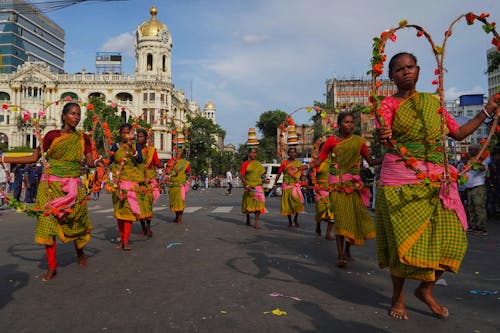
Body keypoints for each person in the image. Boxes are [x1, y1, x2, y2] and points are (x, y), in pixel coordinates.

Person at [375, 52, 499, 320]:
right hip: (400, 181)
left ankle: (425, 289)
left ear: (419, 71)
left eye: (410, 67)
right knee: (402, 244)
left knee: (453, 239)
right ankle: (398, 296)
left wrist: (487, 111)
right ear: (391, 76)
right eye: (399, 69)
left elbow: (458, 133)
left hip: (437, 181)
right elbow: (383, 134)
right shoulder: (386, 105)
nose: (406, 72)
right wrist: (383, 134)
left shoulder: (435, 103)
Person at [2, 102, 105, 281]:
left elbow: (89, 162)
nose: (76, 117)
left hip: (73, 187)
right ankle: (52, 267)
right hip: (49, 187)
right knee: (47, 225)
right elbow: (34, 157)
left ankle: (80, 252)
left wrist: (97, 163)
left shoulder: (83, 138)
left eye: (79, 114)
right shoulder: (51, 136)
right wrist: (4, 157)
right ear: (64, 115)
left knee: (75, 222)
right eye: (73, 114)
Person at [305, 112, 379, 267]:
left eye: (352, 122)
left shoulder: (358, 141)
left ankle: (347, 250)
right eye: (346, 122)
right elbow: (320, 159)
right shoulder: (331, 141)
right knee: (340, 218)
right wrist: (306, 166)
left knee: (350, 219)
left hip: (353, 185)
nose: (350, 125)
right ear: (339, 124)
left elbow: (370, 161)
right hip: (336, 185)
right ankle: (340, 255)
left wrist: (390, 157)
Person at [109, 123, 143, 250]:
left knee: (128, 212)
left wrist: (132, 148)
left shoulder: (136, 145)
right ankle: (121, 239)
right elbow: (110, 161)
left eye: (128, 132)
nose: (125, 135)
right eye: (123, 133)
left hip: (130, 184)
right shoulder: (116, 146)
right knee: (119, 212)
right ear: (120, 134)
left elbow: (139, 160)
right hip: (118, 184)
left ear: (131, 133)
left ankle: (126, 240)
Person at [136, 128, 161, 237]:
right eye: (138, 136)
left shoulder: (152, 150)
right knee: (139, 205)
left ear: (146, 138)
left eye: (141, 136)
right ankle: (143, 228)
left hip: (149, 180)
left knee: (148, 204)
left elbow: (157, 163)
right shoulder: (134, 151)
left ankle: (149, 227)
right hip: (137, 180)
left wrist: (166, 166)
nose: (139, 138)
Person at [272, 146, 304, 227]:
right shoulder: (284, 163)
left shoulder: (299, 164)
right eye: (291, 152)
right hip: (286, 186)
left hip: (295, 186)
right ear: (288, 154)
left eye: (294, 152)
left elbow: (302, 175)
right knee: (287, 204)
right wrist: (275, 184)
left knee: (298, 203)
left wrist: (303, 184)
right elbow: (279, 173)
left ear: (296, 153)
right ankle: (290, 221)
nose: (292, 154)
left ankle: (295, 219)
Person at [309, 145, 335, 240]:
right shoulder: (317, 162)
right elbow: (313, 175)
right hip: (320, 191)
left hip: (332, 190)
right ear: (320, 150)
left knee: (332, 213)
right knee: (320, 212)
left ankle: (328, 233)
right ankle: (318, 224)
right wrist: (315, 185)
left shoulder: (334, 162)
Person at [464, 144, 488, 235]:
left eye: (472, 150)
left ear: (478, 150)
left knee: (479, 208)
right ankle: (473, 226)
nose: (470, 152)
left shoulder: (482, 160)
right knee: (471, 208)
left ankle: (481, 228)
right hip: (470, 187)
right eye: (469, 149)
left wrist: (477, 164)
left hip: (478, 187)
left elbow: (483, 168)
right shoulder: (470, 161)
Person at [240, 147, 266, 229]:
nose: (253, 154)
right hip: (249, 187)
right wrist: (246, 185)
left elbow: (262, 174)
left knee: (259, 205)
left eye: (255, 152)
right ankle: (248, 218)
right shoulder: (245, 164)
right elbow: (242, 176)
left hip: (258, 187)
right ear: (249, 153)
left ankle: (256, 222)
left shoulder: (258, 164)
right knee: (248, 205)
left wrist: (265, 180)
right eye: (251, 152)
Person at [165, 146, 190, 224]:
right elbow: (167, 171)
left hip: (180, 184)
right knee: (174, 202)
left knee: (180, 202)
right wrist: (171, 166)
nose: (177, 153)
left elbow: (188, 172)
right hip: (172, 184)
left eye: (179, 152)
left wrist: (185, 175)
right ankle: (176, 216)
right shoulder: (171, 161)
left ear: (182, 153)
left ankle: (179, 218)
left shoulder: (185, 163)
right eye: (176, 151)